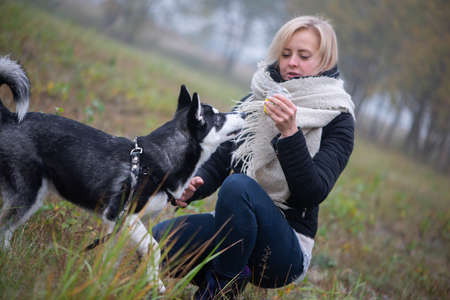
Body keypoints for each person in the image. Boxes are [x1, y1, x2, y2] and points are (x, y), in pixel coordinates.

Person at [152, 15, 355, 299]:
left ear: (325, 61)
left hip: (285, 250)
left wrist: (290, 134)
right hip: (237, 223)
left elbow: (312, 192)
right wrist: (196, 183)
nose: (291, 62)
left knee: (238, 187)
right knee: (157, 243)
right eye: (286, 54)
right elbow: (223, 159)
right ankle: (226, 271)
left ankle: (222, 288)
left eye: (303, 55)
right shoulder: (258, 98)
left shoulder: (338, 117)